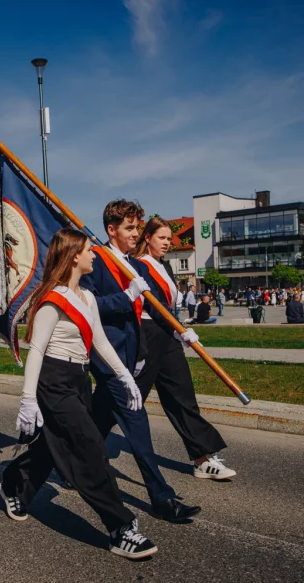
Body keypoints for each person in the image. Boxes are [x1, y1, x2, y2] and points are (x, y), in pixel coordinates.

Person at [0, 229, 158, 560]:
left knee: (53, 447)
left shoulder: (85, 297)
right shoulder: (51, 299)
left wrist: (123, 375)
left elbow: (98, 341)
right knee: (89, 446)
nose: (94, 255)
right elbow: (37, 350)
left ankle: (14, 482)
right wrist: (28, 399)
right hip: (53, 379)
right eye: (89, 250)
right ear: (74, 257)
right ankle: (120, 528)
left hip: (79, 379)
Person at [82, 199, 201, 522]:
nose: (136, 234)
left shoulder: (133, 263)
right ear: (111, 229)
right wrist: (127, 296)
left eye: (138, 227)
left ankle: (63, 463)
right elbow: (88, 305)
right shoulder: (97, 260)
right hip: (108, 355)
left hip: (133, 354)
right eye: (130, 228)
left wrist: (180, 333)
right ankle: (161, 497)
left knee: (94, 421)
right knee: (137, 422)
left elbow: (153, 307)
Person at [133, 217, 236, 480]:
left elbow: (168, 306)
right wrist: (180, 329)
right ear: (148, 237)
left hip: (167, 336)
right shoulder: (137, 266)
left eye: (169, 239)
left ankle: (202, 460)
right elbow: (152, 306)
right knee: (123, 404)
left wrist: (180, 329)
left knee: (182, 398)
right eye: (162, 238)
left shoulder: (165, 266)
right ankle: (81, 458)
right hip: (147, 337)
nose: (167, 243)